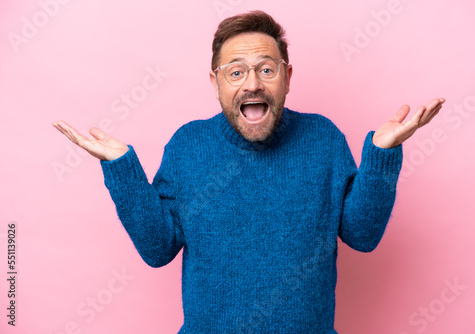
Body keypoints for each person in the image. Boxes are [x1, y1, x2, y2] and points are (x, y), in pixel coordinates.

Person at [53, 10, 445, 334]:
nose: (252, 83)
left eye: (267, 70)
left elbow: (361, 236)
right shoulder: (188, 146)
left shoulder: (323, 138)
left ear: (288, 77)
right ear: (216, 83)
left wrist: (382, 153)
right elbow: (158, 250)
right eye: (236, 72)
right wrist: (122, 169)